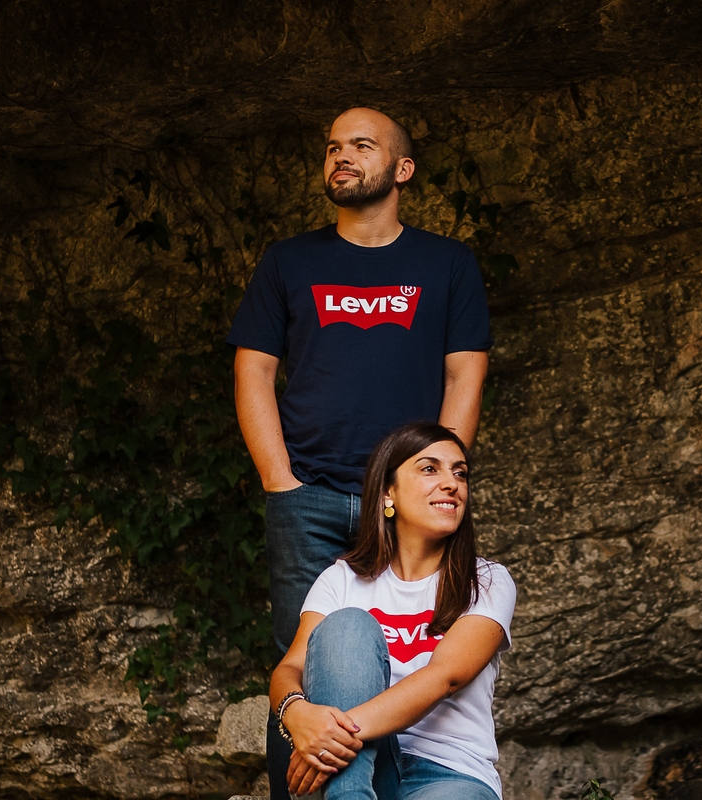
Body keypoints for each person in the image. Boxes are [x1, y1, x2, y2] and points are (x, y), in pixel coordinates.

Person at [226, 107, 492, 795]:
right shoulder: (290, 261)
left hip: (405, 503)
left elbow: (465, 373)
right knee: (303, 671)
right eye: (333, 147)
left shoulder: (446, 263)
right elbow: (252, 370)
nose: (341, 157)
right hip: (308, 497)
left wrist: (436, 478)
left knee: (417, 655)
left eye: (362, 146)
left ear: (402, 169)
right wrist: (279, 481)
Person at [269, 422, 516, 800]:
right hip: (362, 766)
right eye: (430, 468)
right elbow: (290, 668)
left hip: (449, 774)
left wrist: (329, 735)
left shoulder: (485, 580)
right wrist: (296, 714)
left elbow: (444, 677)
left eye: (460, 472)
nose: (452, 483)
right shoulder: (342, 580)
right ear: (389, 492)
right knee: (348, 626)